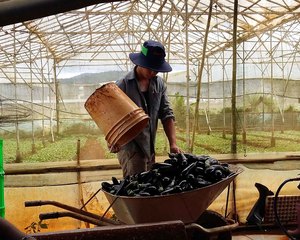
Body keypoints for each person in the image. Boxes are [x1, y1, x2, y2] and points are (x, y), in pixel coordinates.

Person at [112, 40, 181, 178]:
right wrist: (113, 140)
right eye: (150, 67)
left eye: (156, 69)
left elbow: (166, 114)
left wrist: (173, 143)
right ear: (140, 63)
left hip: (150, 146)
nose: (153, 72)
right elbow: (111, 117)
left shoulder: (159, 84)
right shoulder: (122, 85)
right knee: (135, 186)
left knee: (149, 186)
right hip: (130, 148)